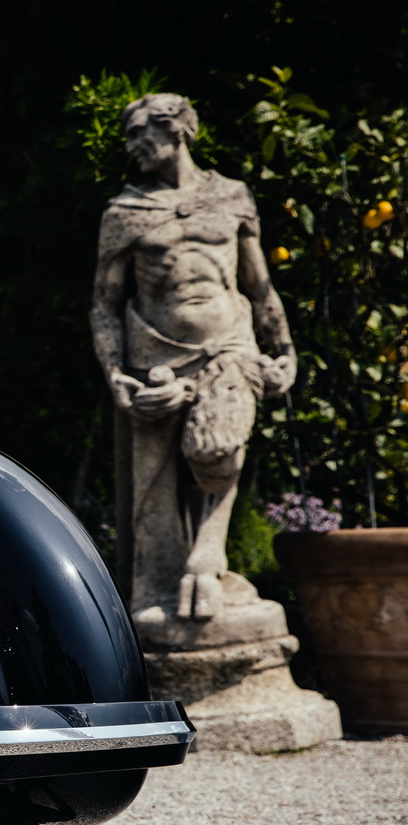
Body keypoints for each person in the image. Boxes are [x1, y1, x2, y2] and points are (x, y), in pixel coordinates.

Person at [90, 95, 296, 629]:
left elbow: (259, 285)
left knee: (217, 448)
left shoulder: (231, 197)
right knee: (153, 483)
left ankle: (209, 555)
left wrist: (284, 351)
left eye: (139, 133)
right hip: (154, 356)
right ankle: (161, 588)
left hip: (229, 344)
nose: (132, 147)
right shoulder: (123, 213)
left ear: (177, 130)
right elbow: (105, 304)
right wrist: (116, 373)